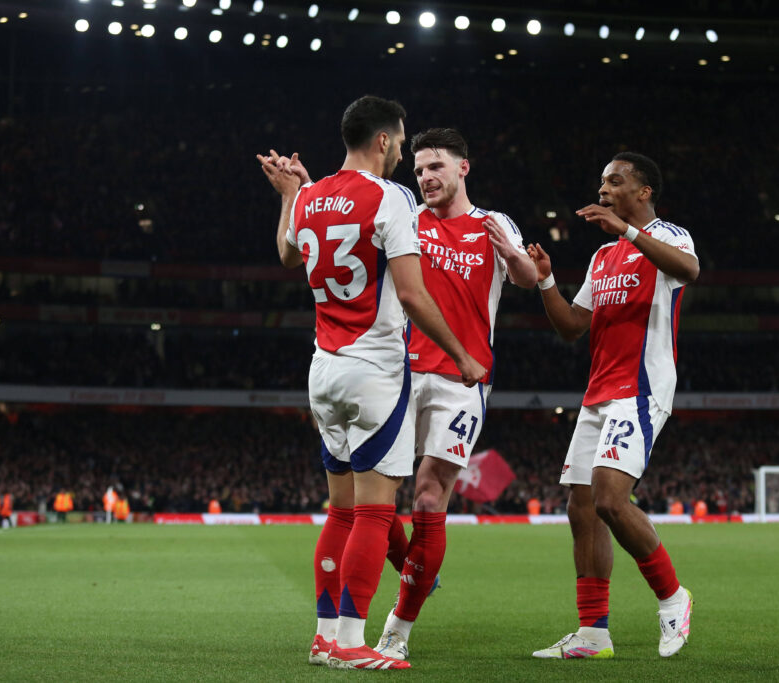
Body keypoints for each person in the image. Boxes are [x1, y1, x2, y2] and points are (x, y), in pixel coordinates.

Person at [271, 127, 537, 663]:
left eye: (436, 166)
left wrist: (517, 257)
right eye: (418, 169)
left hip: (461, 384)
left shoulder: (493, 223)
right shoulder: (404, 214)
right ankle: (401, 583)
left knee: (426, 496)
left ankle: (398, 623)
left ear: (464, 168)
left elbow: (528, 280)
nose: (425, 177)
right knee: (376, 499)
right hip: (401, 372)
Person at [527, 152, 700, 659]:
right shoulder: (601, 259)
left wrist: (626, 231)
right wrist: (544, 281)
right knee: (581, 509)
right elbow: (572, 326)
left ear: (643, 191)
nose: (603, 189)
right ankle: (592, 633)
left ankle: (673, 598)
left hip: (641, 390)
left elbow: (688, 270)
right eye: (601, 181)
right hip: (598, 393)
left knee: (608, 498)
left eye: (615, 181)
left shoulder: (669, 235)